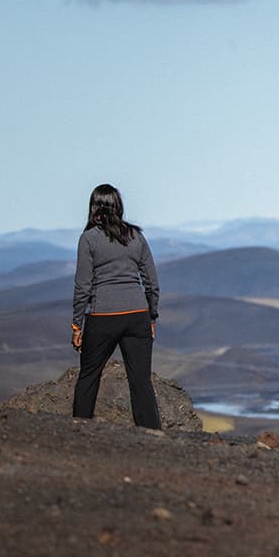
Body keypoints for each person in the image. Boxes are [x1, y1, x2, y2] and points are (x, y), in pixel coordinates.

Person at [70, 183, 162, 430]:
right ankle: (153, 435)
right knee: (141, 381)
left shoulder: (88, 239)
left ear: (93, 207)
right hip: (137, 316)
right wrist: (151, 317)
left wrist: (77, 325)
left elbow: (82, 286)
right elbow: (152, 283)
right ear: (118, 206)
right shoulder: (136, 236)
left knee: (89, 376)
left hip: (103, 316)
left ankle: (80, 428)